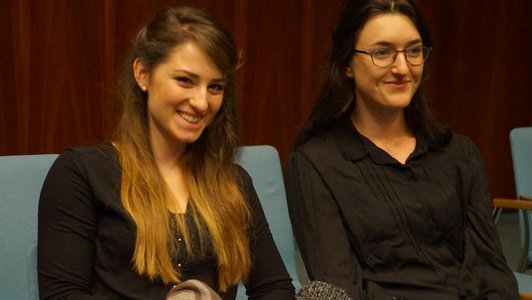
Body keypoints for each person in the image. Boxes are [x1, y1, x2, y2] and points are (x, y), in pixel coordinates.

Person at [38, 6, 295, 300]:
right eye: (185, 80)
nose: (201, 102)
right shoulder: (80, 174)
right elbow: (62, 295)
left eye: (215, 87)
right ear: (143, 73)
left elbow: (275, 288)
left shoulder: (232, 182)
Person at [285, 0, 519, 299]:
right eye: (382, 52)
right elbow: (341, 287)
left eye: (413, 50)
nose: (402, 67)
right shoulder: (315, 164)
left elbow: (490, 268)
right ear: (346, 64)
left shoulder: (459, 152)